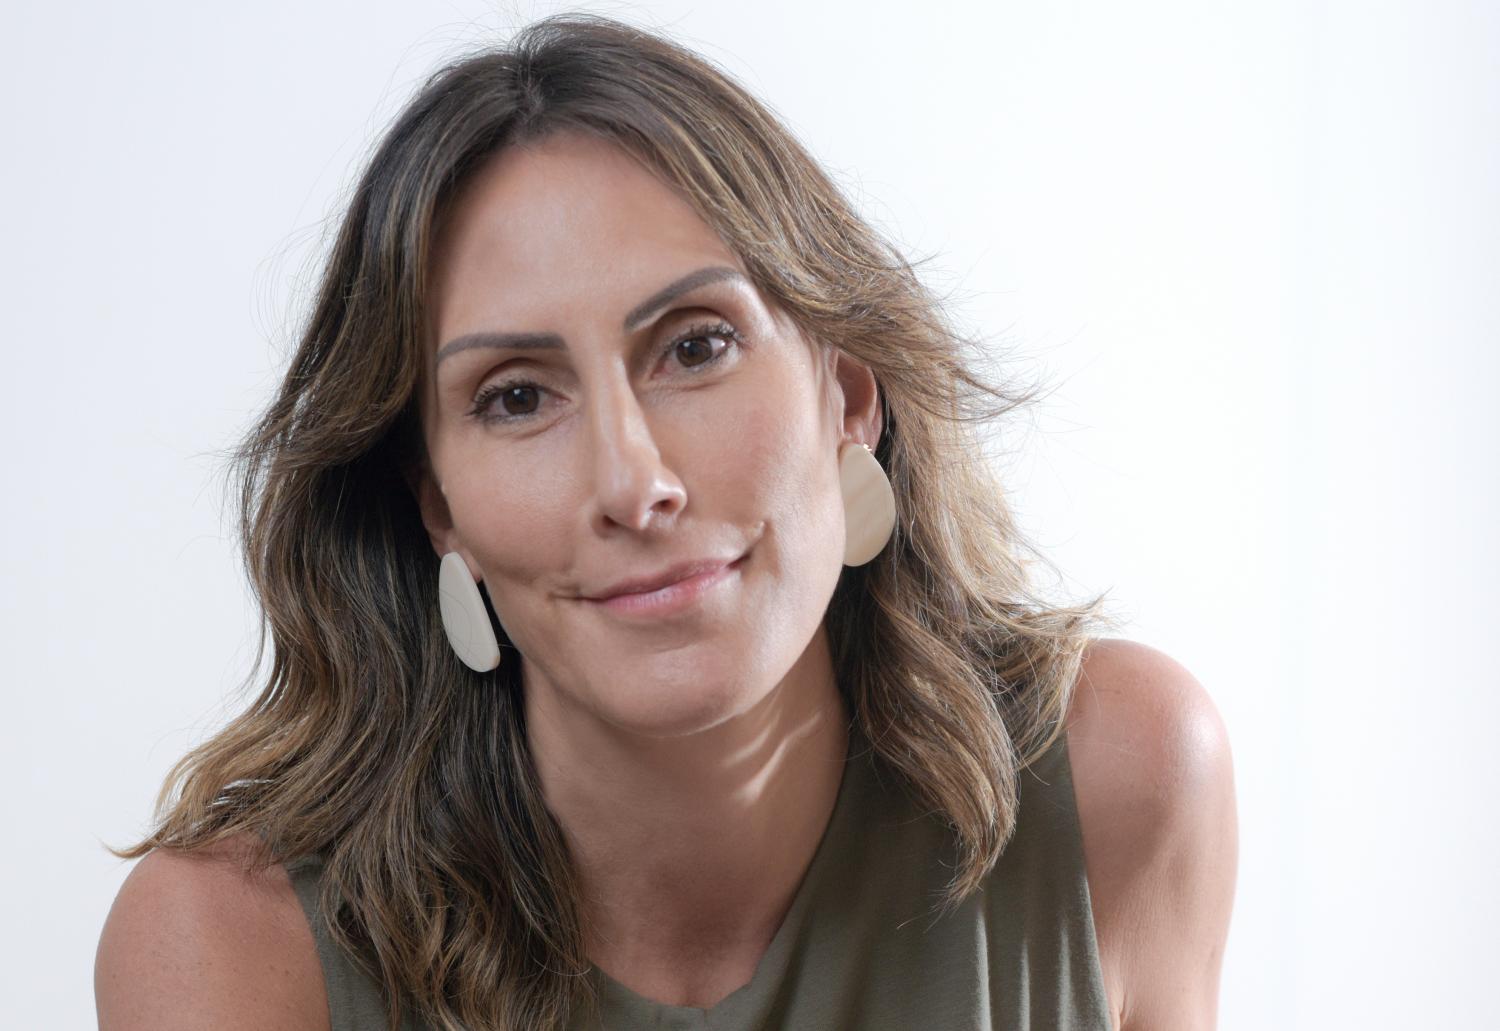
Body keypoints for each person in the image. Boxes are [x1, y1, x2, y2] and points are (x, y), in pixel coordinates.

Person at [94, 12, 1237, 1031]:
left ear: (848, 393)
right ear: (437, 504)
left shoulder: (1119, 782)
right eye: (517, 398)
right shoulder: (233, 949)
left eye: (696, 346)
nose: (633, 482)